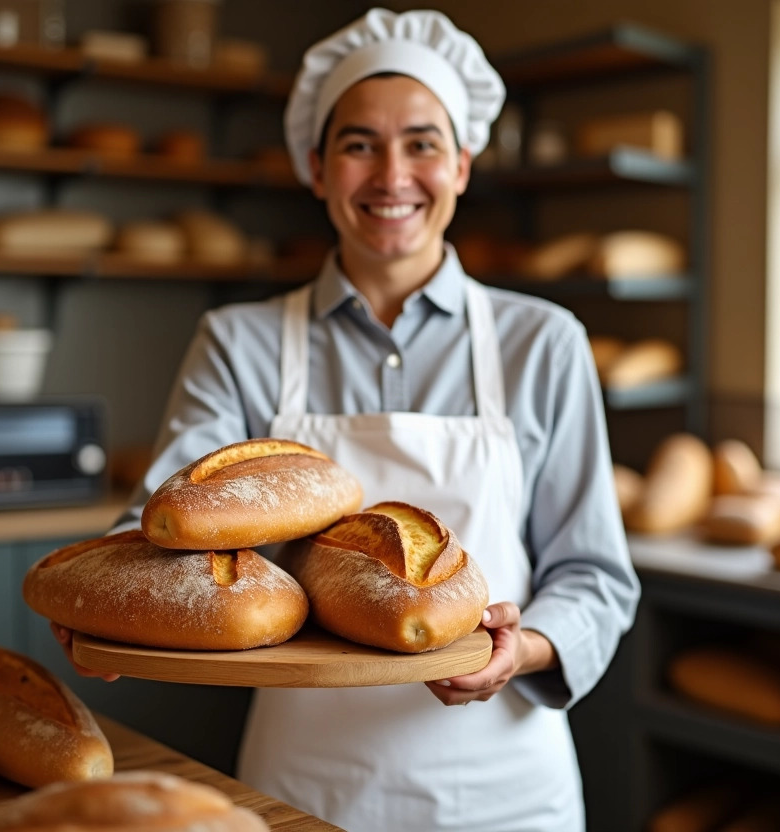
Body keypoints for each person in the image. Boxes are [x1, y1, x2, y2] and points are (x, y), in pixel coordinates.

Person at [52, 8, 639, 831]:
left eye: (423, 143)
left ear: (463, 164)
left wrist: (524, 647)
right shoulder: (240, 341)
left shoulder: (542, 343)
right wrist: (108, 605)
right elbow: (165, 522)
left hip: (506, 788)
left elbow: (595, 578)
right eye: (360, 144)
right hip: (308, 784)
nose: (392, 174)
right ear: (317, 167)